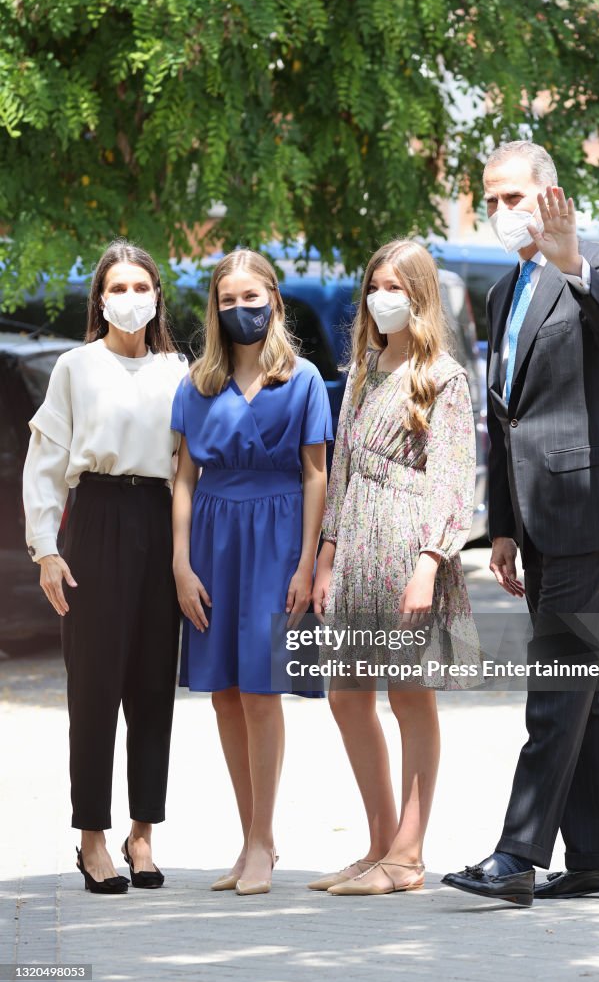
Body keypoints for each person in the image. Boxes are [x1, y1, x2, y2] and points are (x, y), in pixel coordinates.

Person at [441, 140, 599, 907]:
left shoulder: (592, 261)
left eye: (512, 198)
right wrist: (499, 525)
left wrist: (572, 266)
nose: (500, 212)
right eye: (489, 200)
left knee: (557, 681)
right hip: (533, 517)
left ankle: (517, 855)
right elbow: (507, 415)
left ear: (550, 196)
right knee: (584, 685)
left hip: (591, 508)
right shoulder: (505, 291)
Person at [309, 238, 479, 897]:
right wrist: (326, 556)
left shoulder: (443, 377)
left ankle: (408, 855)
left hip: (409, 547)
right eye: (375, 285)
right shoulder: (363, 369)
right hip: (356, 548)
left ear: (420, 295)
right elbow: (343, 471)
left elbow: (451, 478)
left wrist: (429, 563)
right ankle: (379, 843)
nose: (383, 296)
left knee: (410, 698)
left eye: (396, 286)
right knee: (346, 695)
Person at [22, 240, 189, 894]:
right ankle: (92, 837)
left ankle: (142, 833)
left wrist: (186, 553)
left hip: (158, 515)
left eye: (139, 287)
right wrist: (46, 548)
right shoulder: (75, 367)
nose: (128, 299)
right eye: (115, 288)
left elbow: (187, 467)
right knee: (93, 687)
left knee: (152, 688)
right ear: (100, 299)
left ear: (155, 297)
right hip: (93, 519)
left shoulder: (179, 370)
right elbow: (45, 462)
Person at [171, 249, 333, 896]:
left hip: (276, 537)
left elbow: (317, 474)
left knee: (263, 692)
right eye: (227, 300)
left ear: (274, 301)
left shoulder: (304, 380)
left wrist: (304, 560)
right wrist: (180, 562)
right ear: (215, 308)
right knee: (223, 693)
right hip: (212, 536)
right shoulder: (197, 383)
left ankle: (264, 841)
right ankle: (246, 841)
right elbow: (183, 477)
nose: (240, 310)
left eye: (251, 297)